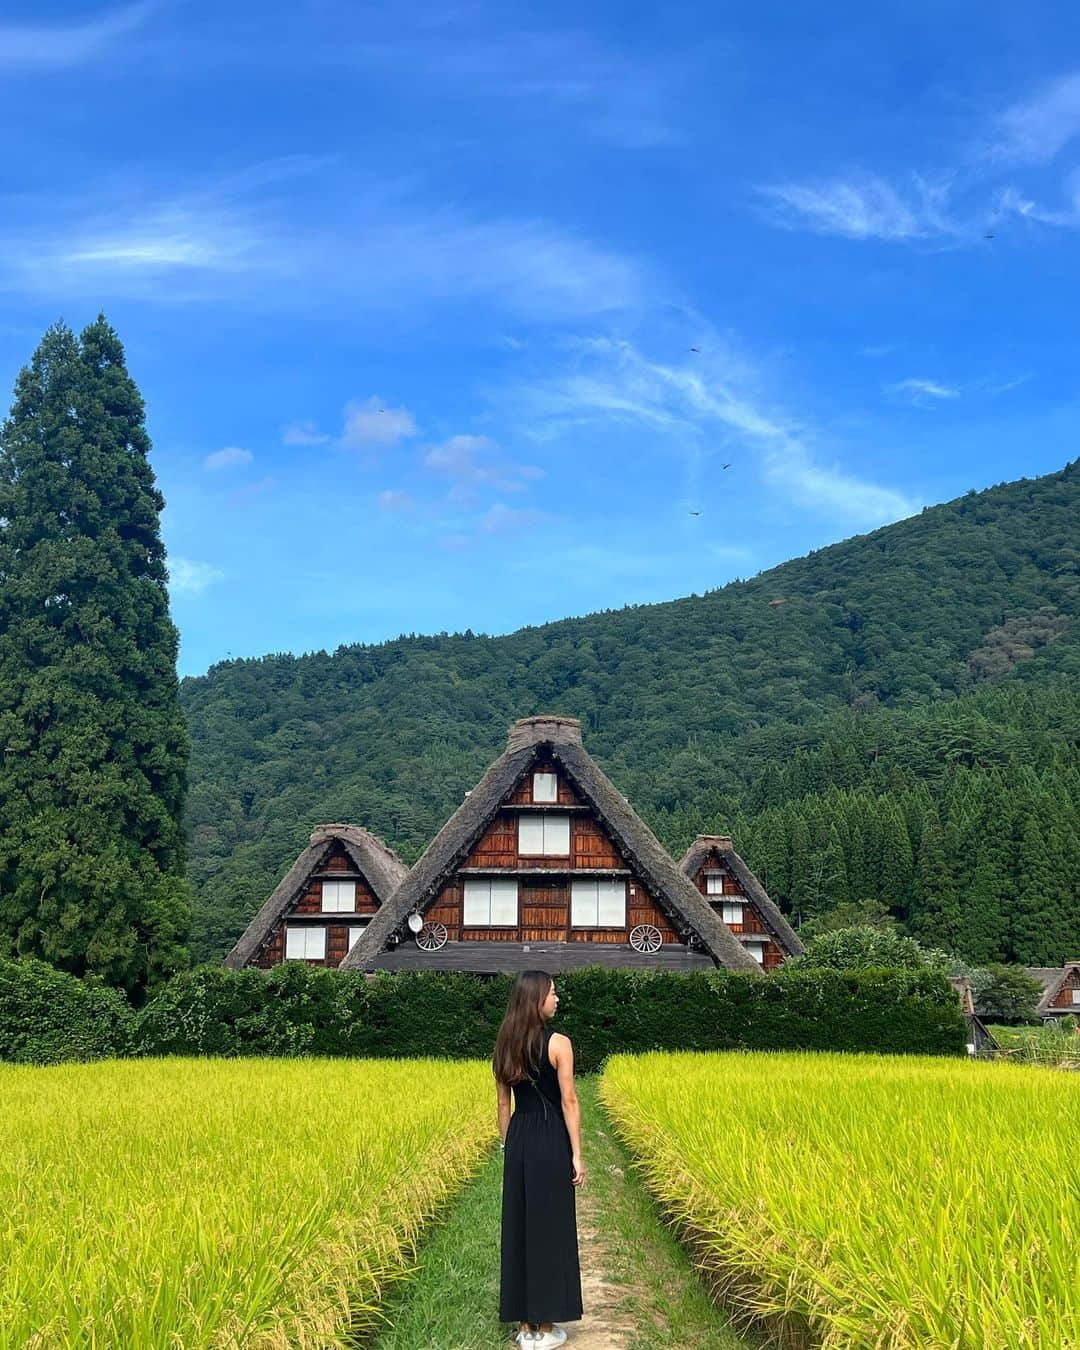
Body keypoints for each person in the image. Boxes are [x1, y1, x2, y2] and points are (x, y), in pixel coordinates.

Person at [494, 970, 585, 1348]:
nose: (557, 999)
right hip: (550, 1139)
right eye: (552, 993)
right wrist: (577, 1154)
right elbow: (569, 1101)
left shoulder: (503, 1045)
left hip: (519, 1138)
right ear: (536, 1000)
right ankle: (546, 1329)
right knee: (550, 1227)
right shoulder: (559, 1043)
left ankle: (523, 1327)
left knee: (520, 1226)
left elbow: (503, 1104)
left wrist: (508, 1146)